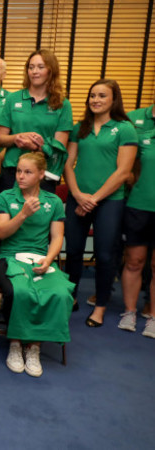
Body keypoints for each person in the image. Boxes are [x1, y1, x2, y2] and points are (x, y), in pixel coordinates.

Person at [63, 79, 138, 327]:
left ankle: (101, 307)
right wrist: (77, 194)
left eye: (102, 96)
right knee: (72, 251)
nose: (95, 100)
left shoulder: (125, 129)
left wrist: (93, 199)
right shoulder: (79, 128)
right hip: (78, 198)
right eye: (92, 95)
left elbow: (123, 172)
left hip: (109, 202)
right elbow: (68, 162)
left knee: (105, 256)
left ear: (113, 100)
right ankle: (70, 296)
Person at [0, 152, 73, 377]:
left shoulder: (54, 201)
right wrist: (23, 215)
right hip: (8, 256)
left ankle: (35, 346)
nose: (20, 176)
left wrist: (49, 259)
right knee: (19, 291)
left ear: (40, 175)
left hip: (40, 257)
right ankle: (16, 344)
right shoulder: (5, 197)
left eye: (27, 172)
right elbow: (0, 232)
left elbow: (57, 237)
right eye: (18, 171)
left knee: (60, 293)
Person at [0, 49, 72, 193]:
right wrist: (17, 138)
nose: (34, 71)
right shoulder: (13, 99)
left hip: (43, 173)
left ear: (51, 70)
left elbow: (60, 147)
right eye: (31, 67)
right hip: (13, 170)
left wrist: (37, 146)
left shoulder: (62, 104)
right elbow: (0, 138)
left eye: (40, 67)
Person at [120, 126, 155, 337]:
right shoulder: (144, 137)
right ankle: (129, 312)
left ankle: (153, 316)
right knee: (134, 262)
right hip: (139, 207)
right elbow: (128, 170)